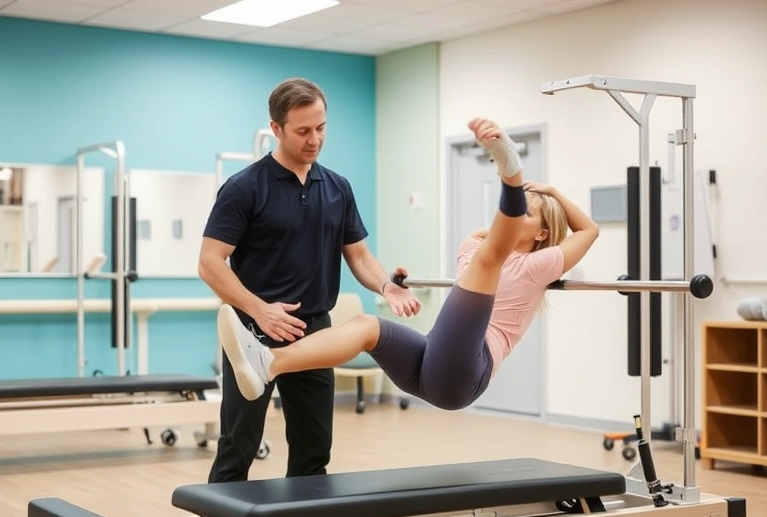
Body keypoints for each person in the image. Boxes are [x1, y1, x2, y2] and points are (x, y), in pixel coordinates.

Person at [216, 116, 600, 411]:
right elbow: (498, 233)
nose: (519, 220)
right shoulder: (474, 248)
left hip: (469, 369)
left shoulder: (539, 265)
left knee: (490, 261)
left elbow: (589, 230)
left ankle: (510, 171)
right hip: (435, 363)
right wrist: (530, 208)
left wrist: (551, 191)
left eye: (531, 216)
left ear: (543, 233)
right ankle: (270, 362)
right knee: (367, 326)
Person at [198, 77, 422, 482]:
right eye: (303, 130)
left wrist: (385, 286)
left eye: (321, 128)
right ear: (276, 128)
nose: (314, 139)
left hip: (316, 330)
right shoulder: (244, 188)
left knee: (314, 450)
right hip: (254, 332)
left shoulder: (337, 188)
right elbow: (210, 263)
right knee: (238, 446)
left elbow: (358, 255)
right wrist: (260, 310)